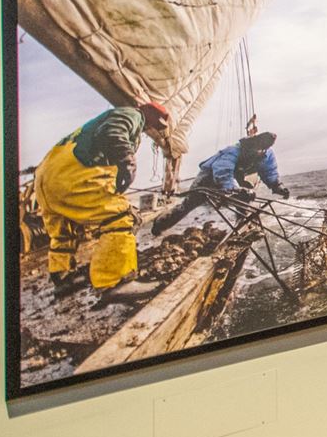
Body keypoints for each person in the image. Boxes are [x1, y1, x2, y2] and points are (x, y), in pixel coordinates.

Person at [36, 102, 167, 303]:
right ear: (150, 116)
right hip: (73, 174)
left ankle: (63, 279)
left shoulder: (94, 123)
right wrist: (127, 161)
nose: (154, 129)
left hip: (46, 175)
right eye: (156, 125)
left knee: (64, 229)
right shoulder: (133, 115)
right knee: (123, 217)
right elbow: (112, 132)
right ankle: (115, 282)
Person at [152, 118, 288, 235]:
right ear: (252, 144)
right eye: (257, 148)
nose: (259, 152)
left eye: (263, 150)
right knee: (189, 204)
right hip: (208, 178)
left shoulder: (266, 154)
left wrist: (277, 186)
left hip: (233, 177)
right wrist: (234, 188)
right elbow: (223, 172)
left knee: (244, 196)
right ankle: (159, 225)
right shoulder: (233, 151)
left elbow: (269, 171)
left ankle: (241, 227)